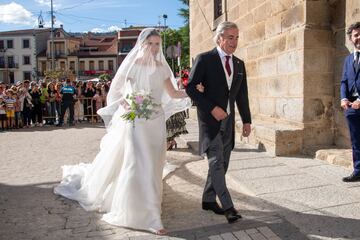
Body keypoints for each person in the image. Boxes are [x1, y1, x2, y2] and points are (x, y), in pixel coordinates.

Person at [54, 28, 191, 235]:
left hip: (155, 121)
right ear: (142, 44)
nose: (154, 48)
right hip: (136, 121)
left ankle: (151, 205)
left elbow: (172, 93)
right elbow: (118, 92)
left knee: (153, 164)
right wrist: (128, 104)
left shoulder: (163, 67)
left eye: (157, 44)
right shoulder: (133, 66)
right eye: (150, 44)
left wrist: (192, 90)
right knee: (136, 163)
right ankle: (148, 216)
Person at [186, 21, 251, 224]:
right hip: (210, 121)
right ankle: (228, 206)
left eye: (237, 37)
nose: (234, 42)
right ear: (220, 38)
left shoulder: (239, 64)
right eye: (230, 37)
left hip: (229, 123)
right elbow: (191, 88)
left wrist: (247, 121)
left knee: (223, 164)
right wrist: (212, 108)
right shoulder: (205, 59)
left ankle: (207, 199)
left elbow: (242, 96)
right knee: (216, 162)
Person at [341, 22, 360, 182]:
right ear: (351, 38)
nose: (359, 37)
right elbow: (344, 82)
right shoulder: (348, 59)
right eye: (356, 35)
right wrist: (343, 98)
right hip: (352, 107)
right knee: (356, 140)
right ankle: (358, 170)